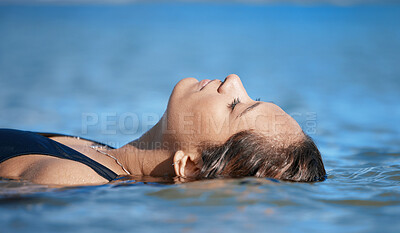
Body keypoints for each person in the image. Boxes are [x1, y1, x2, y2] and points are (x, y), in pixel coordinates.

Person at [0, 74, 326, 186]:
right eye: (251, 97)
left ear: (190, 165)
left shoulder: (75, 180)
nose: (233, 81)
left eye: (234, 106)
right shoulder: (101, 155)